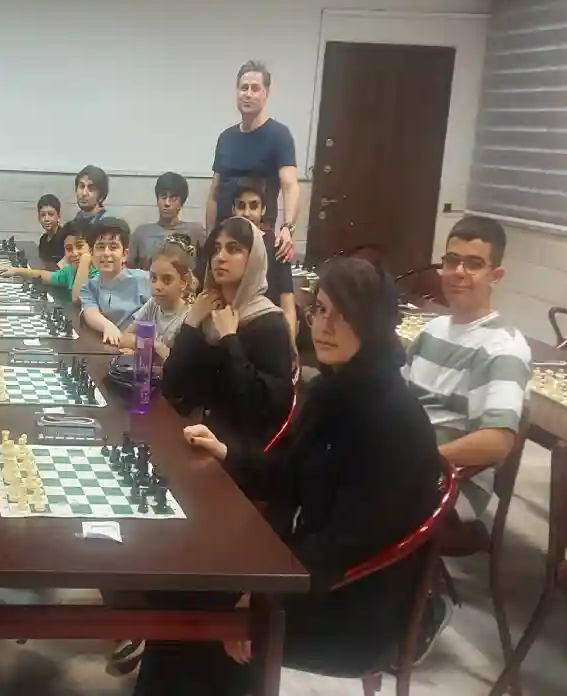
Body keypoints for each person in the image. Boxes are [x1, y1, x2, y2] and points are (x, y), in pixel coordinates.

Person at [134, 257, 443, 695]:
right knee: (175, 588)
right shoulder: (332, 390)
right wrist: (226, 452)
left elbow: (345, 543)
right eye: (320, 310)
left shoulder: (393, 419)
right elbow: (289, 473)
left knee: (197, 618)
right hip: (307, 572)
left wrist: (260, 599)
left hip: (354, 605)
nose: (324, 326)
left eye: (344, 315)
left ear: (374, 323)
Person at [404, 216, 531, 521]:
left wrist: (417, 459)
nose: (458, 272)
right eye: (451, 261)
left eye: (474, 264)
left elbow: (497, 441)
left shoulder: (504, 348)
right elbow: (395, 397)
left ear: (495, 276)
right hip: (406, 464)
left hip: (449, 483)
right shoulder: (432, 330)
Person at [161, 217, 293, 450]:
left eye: (233, 249)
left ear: (253, 259)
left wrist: (230, 339)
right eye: (216, 249)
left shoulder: (270, 323)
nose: (220, 257)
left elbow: (263, 409)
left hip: (241, 454)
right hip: (198, 436)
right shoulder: (207, 313)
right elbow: (173, 386)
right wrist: (191, 324)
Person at [207, 61, 301, 262]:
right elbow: (214, 194)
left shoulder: (279, 135)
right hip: (224, 239)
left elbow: (290, 186)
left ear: (266, 93)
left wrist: (287, 228)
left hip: (258, 242)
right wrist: (210, 237)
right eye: (244, 88)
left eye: (255, 88)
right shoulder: (226, 138)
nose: (248, 94)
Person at [227, 178, 297, 343]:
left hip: (268, 330)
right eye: (241, 206)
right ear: (233, 209)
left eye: (253, 206)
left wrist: (290, 346)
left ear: (263, 209)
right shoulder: (223, 246)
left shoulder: (277, 247)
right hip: (229, 329)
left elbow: (288, 305)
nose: (247, 213)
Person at [118, 235, 195, 363]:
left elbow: (179, 364)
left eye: (167, 279)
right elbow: (125, 338)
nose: (157, 287)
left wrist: (148, 346)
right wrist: (152, 345)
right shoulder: (153, 304)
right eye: (154, 278)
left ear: (183, 282)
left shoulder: (188, 317)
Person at [78, 219, 151, 345]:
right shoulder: (89, 287)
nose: (106, 253)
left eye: (113, 247)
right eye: (101, 247)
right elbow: (90, 312)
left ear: (125, 254)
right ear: (91, 253)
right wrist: (107, 326)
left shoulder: (145, 280)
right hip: (107, 348)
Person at [0, 221, 96, 304]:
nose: (74, 253)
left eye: (79, 246)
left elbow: (77, 299)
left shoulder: (98, 275)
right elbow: (44, 275)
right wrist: (16, 271)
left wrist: (85, 260)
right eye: (69, 249)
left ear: (91, 247)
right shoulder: (70, 271)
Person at [127, 172, 205, 270]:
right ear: (157, 200)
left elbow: (206, 265)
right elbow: (129, 269)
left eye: (173, 198)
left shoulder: (195, 231)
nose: (167, 203)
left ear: (181, 203)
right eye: (163, 197)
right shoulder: (141, 233)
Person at [36, 194, 65, 265]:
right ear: (39, 218)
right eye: (43, 215)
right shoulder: (43, 239)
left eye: (51, 214)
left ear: (58, 216)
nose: (46, 219)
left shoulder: (65, 239)